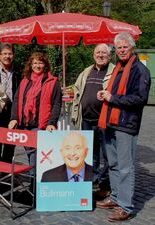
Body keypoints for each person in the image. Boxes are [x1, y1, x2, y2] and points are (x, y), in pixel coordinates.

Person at [96, 32, 151, 222]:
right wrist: (105, 95)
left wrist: (113, 98)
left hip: (126, 124)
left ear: (132, 47)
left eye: (124, 47)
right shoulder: (119, 68)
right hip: (110, 122)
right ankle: (116, 197)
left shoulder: (140, 71)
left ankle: (126, 206)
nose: (121, 50)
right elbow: (114, 93)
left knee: (126, 167)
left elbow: (139, 99)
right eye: (118, 48)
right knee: (113, 164)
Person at [8, 52, 62, 175]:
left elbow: (56, 104)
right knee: (30, 154)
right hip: (25, 124)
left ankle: (34, 187)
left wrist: (52, 122)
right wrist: (14, 118)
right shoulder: (25, 81)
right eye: (35, 63)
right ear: (31, 65)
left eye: (40, 62)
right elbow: (17, 100)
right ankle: (34, 185)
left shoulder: (53, 82)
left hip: (41, 125)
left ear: (45, 65)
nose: (37, 65)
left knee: (35, 155)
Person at [71, 43, 114, 194]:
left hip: (104, 121)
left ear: (109, 56)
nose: (101, 55)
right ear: (93, 55)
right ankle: (93, 181)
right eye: (98, 53)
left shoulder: (114, 72)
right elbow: (76, 89)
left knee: (108, 154)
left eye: (104, 53)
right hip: (86, 120)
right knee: (90, 154)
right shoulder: (86, 71)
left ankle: (105, 184)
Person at [0, 43, 21, 163]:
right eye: (4, 54)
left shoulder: (19, 71)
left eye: (10, 54)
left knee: (10, 144)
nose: (7, 56)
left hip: (12, 112)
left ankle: (6, 174)